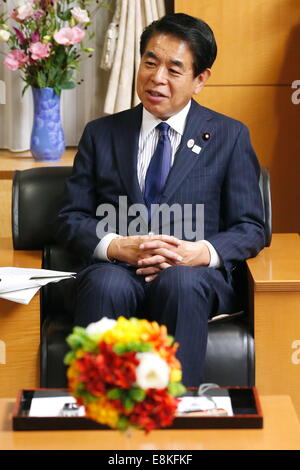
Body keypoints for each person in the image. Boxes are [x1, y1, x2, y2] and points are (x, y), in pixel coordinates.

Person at [54, 13, 265, 387]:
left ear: (200, 80)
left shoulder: (230, 137)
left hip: (194, 275)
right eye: (150, 62)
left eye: (174, 69)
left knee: (179, 283)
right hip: (115, 270)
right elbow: (71, 218)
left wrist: (199, 252)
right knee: (105, 284)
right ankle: (94, 414)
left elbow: (250, 226)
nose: (157, 77)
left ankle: (177, 414)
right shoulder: (101, 134)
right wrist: (118, 246)